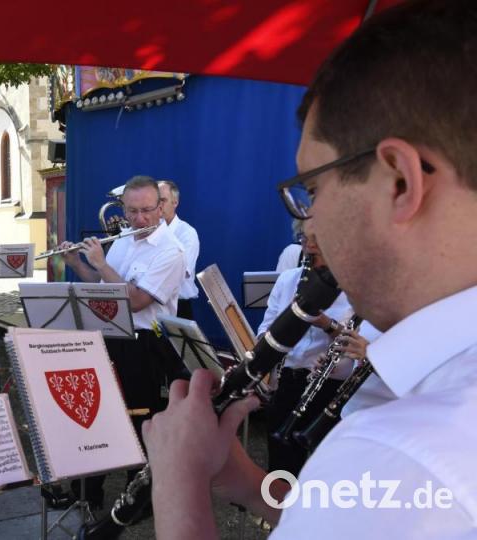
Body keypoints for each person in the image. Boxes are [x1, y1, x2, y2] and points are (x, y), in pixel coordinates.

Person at [142, 1, 477, 537]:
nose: (310, 223)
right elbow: (356, 508)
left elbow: (388, 481)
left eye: (313, 188)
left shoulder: (402, 449)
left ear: (399, 182)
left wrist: (177, 486)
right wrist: (249, 482)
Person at [58, 175, 186, 508]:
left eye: (146, 210)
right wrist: (77, 263)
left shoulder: (171, 251)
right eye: (132, 211)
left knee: (138, 419)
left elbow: (138, 300)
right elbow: (102, 285)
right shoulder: (126, 239)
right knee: (97, 414)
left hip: (143, 342)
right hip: (109, 335)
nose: (139, 219)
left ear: (160, 208)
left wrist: (101, 262)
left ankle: (139, 498)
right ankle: (88, 493)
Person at [259, 227, 353, 476]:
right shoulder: (288, 279)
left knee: (327, 471)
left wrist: (325, 323)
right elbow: (265, 330)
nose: (310, 245)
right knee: (281, 466)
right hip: (289, 381)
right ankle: (277, 511)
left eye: (318, 237)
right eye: (304, 237)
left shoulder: (356, 287)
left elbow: (361, 342)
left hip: (332, 386)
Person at [157, 180, 200, 319]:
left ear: (175, 202)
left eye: (162, 200)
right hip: (150, 307)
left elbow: (180, 273)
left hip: (179, 307)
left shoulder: (187, 233)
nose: (158, 205)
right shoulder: (146, 231)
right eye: (155, 200)